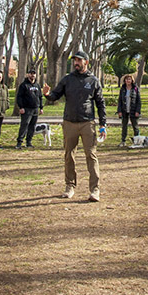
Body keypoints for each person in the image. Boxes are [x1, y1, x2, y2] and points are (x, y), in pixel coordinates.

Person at [42, 51, 107, 202]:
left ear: (86, 62)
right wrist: (47, 94)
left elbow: (100, 103)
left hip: (87, 123)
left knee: (91, 155)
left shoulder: (93, 81)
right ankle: (69, 186)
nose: (76, 63)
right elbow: (55, 96)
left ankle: (95, 190)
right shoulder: (67, 80)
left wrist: (103, 124)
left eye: (79, 60)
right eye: (74, 61)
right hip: (69, 123)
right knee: (69, 155)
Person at [16, 69, 44, 149]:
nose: (33, 75)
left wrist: (41, 107)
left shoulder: (37, 85)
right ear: (28, 75)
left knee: (32, 126)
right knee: (24, 125)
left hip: (35, 109)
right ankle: (19, 142)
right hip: (26, 109)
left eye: (34, 74)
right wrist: (21, 107)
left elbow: (40, 97)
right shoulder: (24, 85)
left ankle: (29, 142)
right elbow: (19, 97)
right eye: (31, 74)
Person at [116, 74, 142, 147]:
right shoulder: (123, 89)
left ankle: (137, 141)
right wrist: (119, 111)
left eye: (129, 79)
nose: (128, 81)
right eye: (126, 79)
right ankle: (123, 141)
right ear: (124, 80)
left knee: (135, 127)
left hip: (133, 110)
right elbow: (120, 101)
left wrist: (137, 111)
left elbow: (138, 101)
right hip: (124, 110)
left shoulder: (135, 88)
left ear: (132, 80)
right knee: (124, 126)